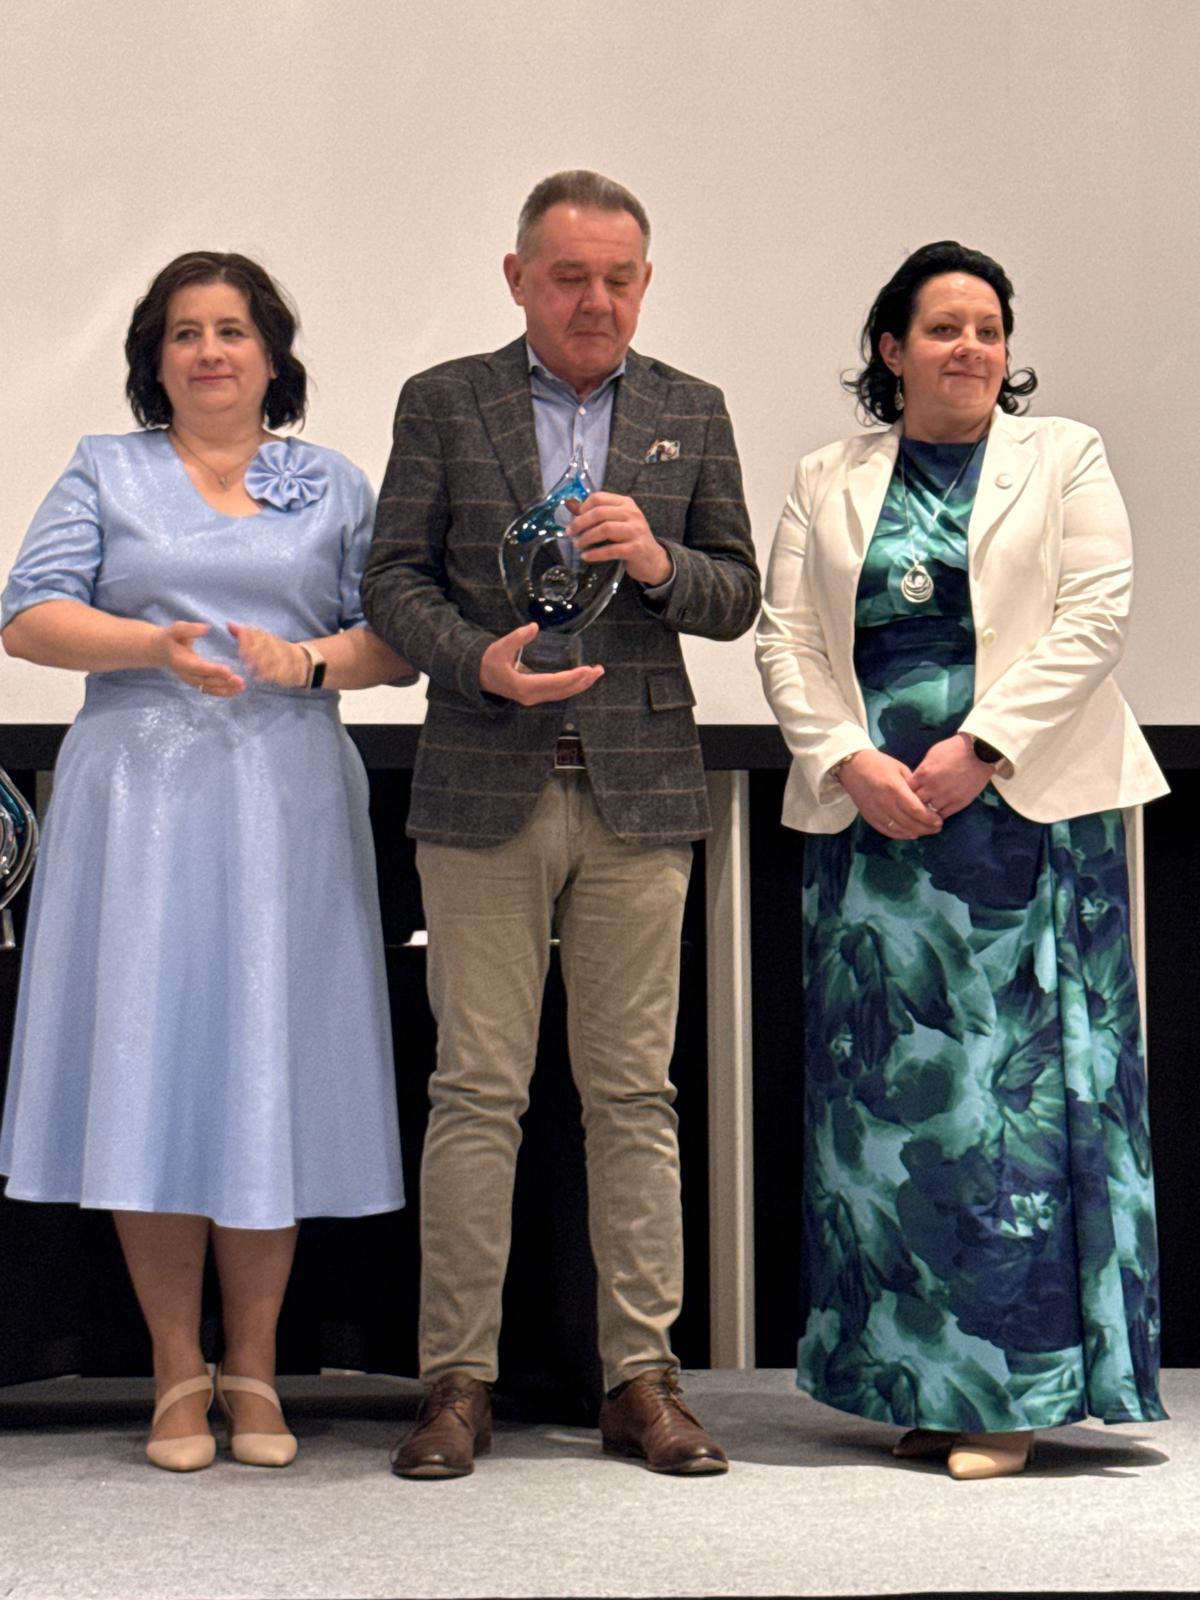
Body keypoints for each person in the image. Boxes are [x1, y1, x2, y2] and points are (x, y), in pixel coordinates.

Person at [363, 170, 760, 1478]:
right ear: (518, 278)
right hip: (481, 784)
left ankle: (642, 1379)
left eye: (619, 278)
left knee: (635, 1094)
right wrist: (473, 660)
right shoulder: (444, 401)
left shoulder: (691, 410)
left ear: (645, 282)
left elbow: (736, 596)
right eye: (570, 276)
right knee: (475, 1091)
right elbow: (392, 578)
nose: (597, 300)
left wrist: (658, 560)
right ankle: (456, 1383)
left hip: (639, 794)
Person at [756, 240, 1168, 1480]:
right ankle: (914, 1382)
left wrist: (979, 747)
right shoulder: (826, 476)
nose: (972, 348)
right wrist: (851, 761)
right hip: (876, 837)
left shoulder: (1066, 456)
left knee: (1003, 1110)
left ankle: (1010, 1394)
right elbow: (787, 640)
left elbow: (1096, 615)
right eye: (944, 328)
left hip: (1024, 822)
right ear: (892, 351)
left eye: (989, 328)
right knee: (887, 1116)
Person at [0, 251, 414, 1472]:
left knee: (264, 1068)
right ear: (156, 358)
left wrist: (307, 662)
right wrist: (151, 645)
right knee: (153, 1070)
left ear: (273, 355)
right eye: (184, 332)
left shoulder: (334, 483)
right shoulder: (104, 468)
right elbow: (26, 614)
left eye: (232, 329)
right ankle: (178, 1371)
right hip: (139, 800)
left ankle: (260, 1368)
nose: (210, 350)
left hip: (286, 802)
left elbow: (396, 636)